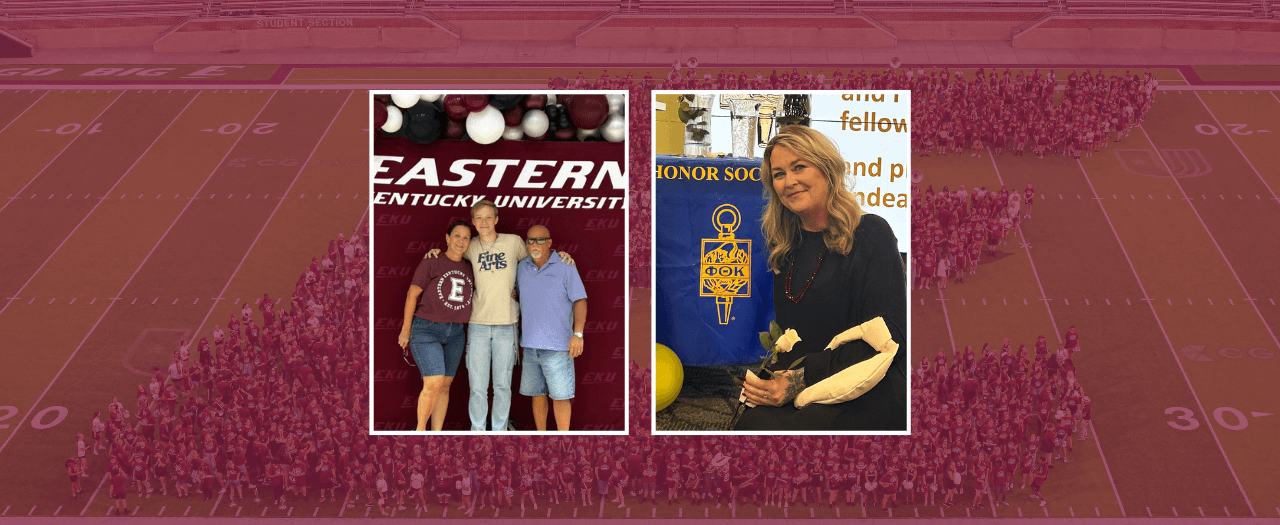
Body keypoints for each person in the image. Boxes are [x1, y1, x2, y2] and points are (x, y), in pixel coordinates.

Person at [737, 125, 908, 431]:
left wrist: (798, 380)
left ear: (827, 169)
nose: (790, 181)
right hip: (810, 384)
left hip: (866, 382)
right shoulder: (785, 247)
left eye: (799, 167)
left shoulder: (871, 234)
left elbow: (889, 338)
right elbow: (799, 339)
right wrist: (776, 382)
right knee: (751, 423)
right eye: (778, 174)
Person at [400, 221, 475, 431]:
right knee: (433, 383)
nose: (461, 241)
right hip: (426, 329)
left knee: (444, 386)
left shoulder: (469, 267)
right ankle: (420, 431)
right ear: (447, 238)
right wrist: (406, 330)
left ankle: (436, 434)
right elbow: (412, 295)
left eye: (466, 238)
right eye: (457, 236)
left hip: (456, 333)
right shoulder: (432, 261)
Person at [516, 225, 588, 431]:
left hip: (558, 347)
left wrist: (578, 334)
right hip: (529, 346)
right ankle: (542, 439)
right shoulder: (522, 267)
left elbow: (580, 300)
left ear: (550, 242)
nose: (535, 244)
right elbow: (518, 294)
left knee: (560, 397)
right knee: (537, 395)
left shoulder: (565, 266)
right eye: (530, 240)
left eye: (540, 240)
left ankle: (562, 443)